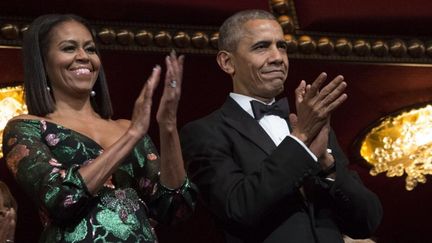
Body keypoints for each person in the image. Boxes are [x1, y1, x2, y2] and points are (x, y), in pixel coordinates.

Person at [180, 9, 382, 243]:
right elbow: (238, 209)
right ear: (227, 62)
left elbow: (367, 222)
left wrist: (328, 166)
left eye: (282, 46)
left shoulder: (311, 124)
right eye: (261, 47)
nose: (277, 57)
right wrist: (300, 140)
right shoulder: (205, 132)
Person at [2, 14, 197, 242]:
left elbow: (174, 207)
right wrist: (131, 137)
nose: (83, 56)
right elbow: (62, 199)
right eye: (69, 48)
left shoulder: (126, 127)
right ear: (43, 62)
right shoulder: (26, 128)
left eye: (90, 49)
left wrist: (167, 126)